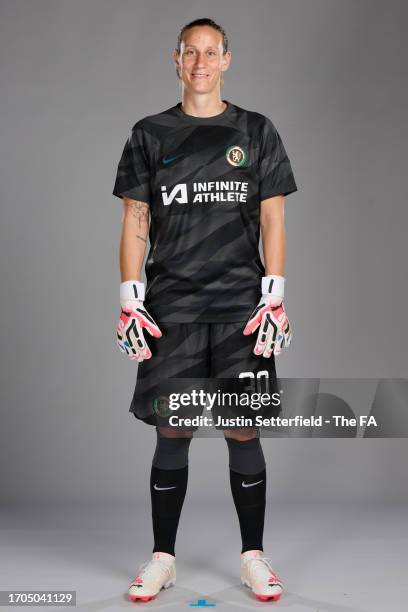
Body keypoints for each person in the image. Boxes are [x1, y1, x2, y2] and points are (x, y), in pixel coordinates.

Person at [112, 18, 297, 603]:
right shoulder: (150, 133)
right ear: (175, 59)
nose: (200, 61)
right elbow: (135, 221)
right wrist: (127, 292)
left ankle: (253, 557)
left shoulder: (256, 130)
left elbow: (273, 217)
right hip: (173, 309)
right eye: (190, 52)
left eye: (210, 52)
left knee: (243, 431)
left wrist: (276, 290)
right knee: (174, 429)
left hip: (243, 309)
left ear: (226, 59)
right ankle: (162, 558)